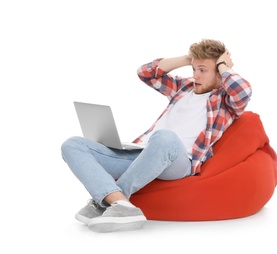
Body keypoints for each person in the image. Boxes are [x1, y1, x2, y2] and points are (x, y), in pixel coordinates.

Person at [61, 39, 252, 233]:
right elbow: (145, 73)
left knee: (164, 137)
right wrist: (188, 59)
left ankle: (106, 202)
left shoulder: (224, 101)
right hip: (143, 153)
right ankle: (119, 204)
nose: (196, 75)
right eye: (194, 69)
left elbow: (243, 92)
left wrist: (222, 65)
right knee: (73, 145)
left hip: (179, 160)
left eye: (202, 70)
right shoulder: (184, 88)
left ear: (220, 73)